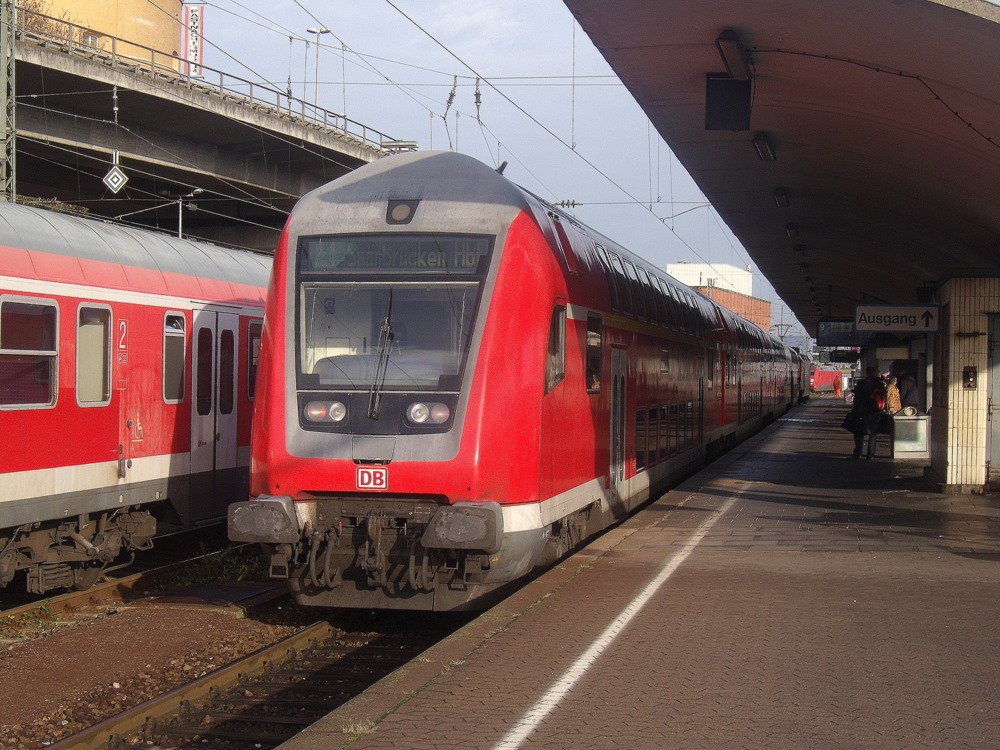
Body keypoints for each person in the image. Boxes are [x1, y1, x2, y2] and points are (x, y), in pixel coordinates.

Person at [848, 368, 887, 460]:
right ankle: (871, 455)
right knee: (873, 434)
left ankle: (857, 454)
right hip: (876, 411)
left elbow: (857, 399)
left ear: (867, 374)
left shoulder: (862, 383)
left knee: (859, 432)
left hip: (862, 412)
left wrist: (855, 410)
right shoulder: (880, 384)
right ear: (876, 374)